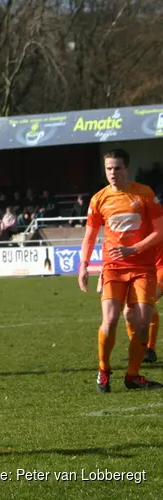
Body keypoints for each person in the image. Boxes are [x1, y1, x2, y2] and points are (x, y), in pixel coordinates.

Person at [78, 149, 163, 393]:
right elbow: (90, 235)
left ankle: (133, 376)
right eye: (108, 169)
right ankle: (103, 372)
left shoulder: (144, 193)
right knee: (110, 320)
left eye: (117, 168)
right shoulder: (99, 199)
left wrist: (133, 249)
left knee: (143, 324)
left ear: (126, 169)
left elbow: (160, 231)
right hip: (113, 269)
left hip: (142, 269)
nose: (112, 173)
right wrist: (83, 264)